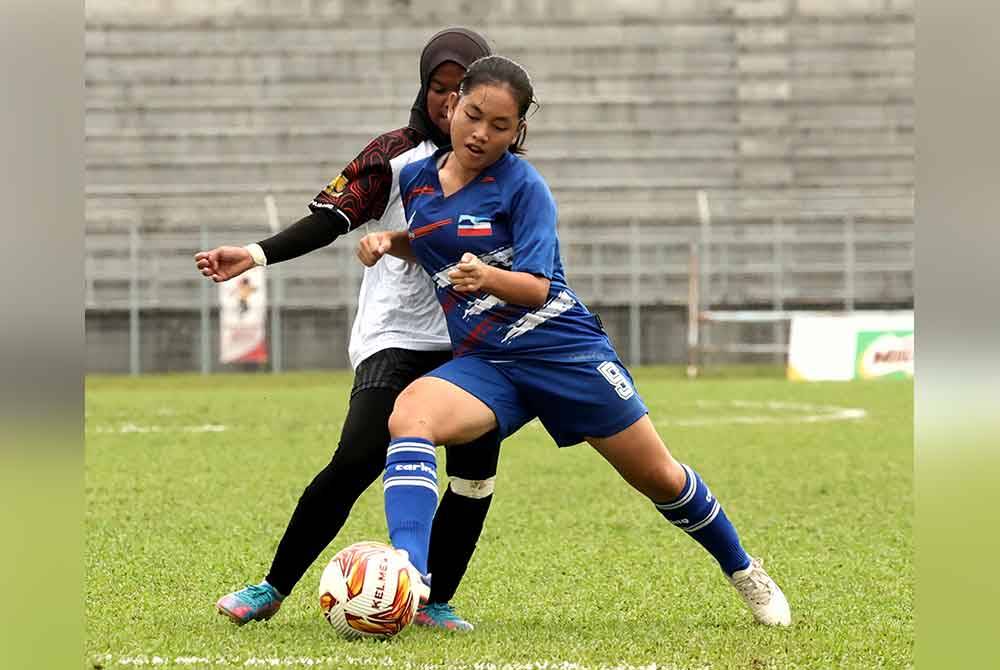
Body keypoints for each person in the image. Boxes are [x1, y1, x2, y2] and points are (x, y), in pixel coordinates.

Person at [357, 55, 792, 627]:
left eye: (501, 126)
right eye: (473, 115)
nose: (481, 133)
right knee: (409, 413)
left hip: (564, 352)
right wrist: (393, 241)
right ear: (453, 103)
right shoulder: (415, 179)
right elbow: (435, 241)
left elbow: (536, 289)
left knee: (659, 476)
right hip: (489, 362)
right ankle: (410, 574)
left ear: (519, 132)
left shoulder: (523, 186)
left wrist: (487, 277)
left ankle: (742, 569)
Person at [195, 27, 500, 632]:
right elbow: (329, 219)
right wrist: (254, 255)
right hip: (396, 336)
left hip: (469, 340)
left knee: (473, 474)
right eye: (438, 90)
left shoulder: (505, 169)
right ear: (425, 90)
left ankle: (434, 600)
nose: (447, 104)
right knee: (358, 456)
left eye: (458, 91)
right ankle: (272, 586)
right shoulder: (396, 154)